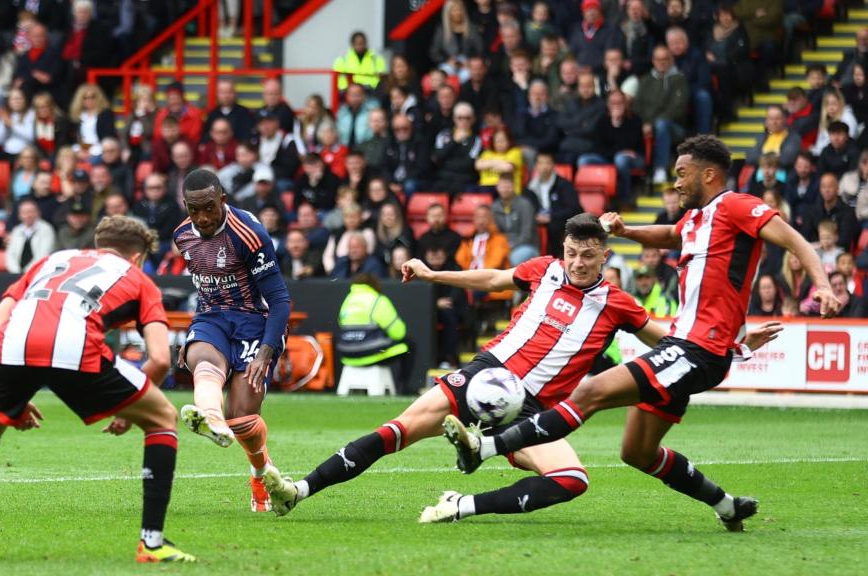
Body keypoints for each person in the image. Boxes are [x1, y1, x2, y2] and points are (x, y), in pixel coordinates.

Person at [262, 213, 780, 522]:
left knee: (573, 479)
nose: (579, 263)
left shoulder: (619, 304)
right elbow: (490, 279)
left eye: (589, 256)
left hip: (533, 410)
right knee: (399, 429)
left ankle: (461, 504)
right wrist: (433, 274)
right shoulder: (542, 271)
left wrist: (736, 344)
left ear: (605, 257)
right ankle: (297, 491)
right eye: (573, 253)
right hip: (486, 373)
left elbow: (672, 343)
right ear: (563, 251)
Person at [442, 135, 841, 531]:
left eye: (682, 174)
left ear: (710, 173)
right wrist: (627, 231)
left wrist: (821, 284)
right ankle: (727, 506)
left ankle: (485, 447)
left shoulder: (736, 205)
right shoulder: (696, 220)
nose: (677, 183)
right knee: (637, 452)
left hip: (696, 349)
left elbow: (792, 238)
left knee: (590, 392)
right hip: (689, 346)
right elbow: (670, 235)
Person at [0, 215, 196, 563]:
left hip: (13, 345)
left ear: (96, 246)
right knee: (163, 417)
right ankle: (151, 543)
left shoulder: (51, 261)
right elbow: (161, 359)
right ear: (137, 257)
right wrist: (131, 409)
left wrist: (16, 396)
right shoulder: (139, 278)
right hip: (77, 348)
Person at [173, 169, 291, 513]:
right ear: (186, 207)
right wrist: (196, 334)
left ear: (222, 200)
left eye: (209, 208)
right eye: (194, 210)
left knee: (242, 417)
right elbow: (204, 285)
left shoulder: (249, 233)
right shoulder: (182, 235)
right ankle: (210, 418)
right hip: (211, 317)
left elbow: (280, 299)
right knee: (202, 359)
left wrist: (266, 352)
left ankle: (259, 474)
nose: (203, 217)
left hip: (255, 322)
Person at [335, 272, 410, 384]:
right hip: (370, 354)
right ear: (375, 285)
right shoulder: (378, 300)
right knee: (409, 345)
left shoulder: (347, 300)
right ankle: (403, 388)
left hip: (346, 354)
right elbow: (399, 333)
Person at [636, 46, 689, 186]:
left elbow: (678, 109)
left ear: (671, 60)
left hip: (675, 127)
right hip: (647, 125)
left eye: (665, 59)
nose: (661, 62)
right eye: (658, 59)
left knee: (662, 124)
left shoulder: (679, 79)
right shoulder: (645, 80)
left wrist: (651, 123)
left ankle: (660, 168)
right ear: (653, 61)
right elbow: (637, 106)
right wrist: (644, 123)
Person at [524, 151, 579, 257]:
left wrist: (551, 217)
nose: (544, 166)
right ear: (535, 166)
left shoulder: (564, 184)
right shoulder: (530, 188)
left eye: (547, 163)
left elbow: (574, 208)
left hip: (559, 220)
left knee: (554, 226)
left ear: (554, 165)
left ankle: (555, 257)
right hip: (538, 219)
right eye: (541, 163)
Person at [492, 173, 538, 266]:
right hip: (502, 246)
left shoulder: (525, 205)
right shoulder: (494, 206)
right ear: (497, 188)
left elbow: (527, 235)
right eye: (502, 186)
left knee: (512, 259)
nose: (505, 190)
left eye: (508, 186)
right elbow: (494, 231)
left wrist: (509, 246)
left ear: (514, 186)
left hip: (526, 246)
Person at [5, 199, 56, 273]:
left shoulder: (46, 229)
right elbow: (10, 254)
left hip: (39, 273)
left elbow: (43, 255)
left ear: (38, 213)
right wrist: (16, 272)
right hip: (16, 274)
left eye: (31, 212)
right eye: (24, 212)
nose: (28, 215)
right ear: (19, 215)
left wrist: (27, 273)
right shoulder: (16, 230)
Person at [744, 106, 802, 171]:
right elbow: (750, 157)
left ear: (785, 119)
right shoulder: (763, 137)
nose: (774, 122)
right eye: (771, 119)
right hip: (760, 174)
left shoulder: (793, 137)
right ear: (766, 121)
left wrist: (763, 159)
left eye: (777, 118)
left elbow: (787, 159)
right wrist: (774, 157)